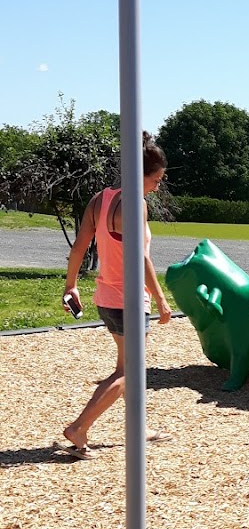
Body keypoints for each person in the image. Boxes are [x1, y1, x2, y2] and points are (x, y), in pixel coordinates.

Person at [61, 132, 172, 455]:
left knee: (127, 366)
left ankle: (139, 427)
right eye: (156, 180)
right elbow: (142, 258)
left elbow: (79, 247)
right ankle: (78, 428)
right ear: (140, 174)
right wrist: (161, 298)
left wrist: (70, 285)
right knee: (129, 372)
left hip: (105, 299)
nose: (157, 187)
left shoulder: (99, 199)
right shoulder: (136, 205)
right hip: (130, 301)